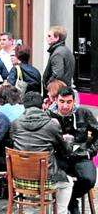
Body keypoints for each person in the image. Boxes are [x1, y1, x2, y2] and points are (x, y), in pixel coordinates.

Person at [11, 92, 74, 214]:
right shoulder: (51, 125)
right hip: (46, 180)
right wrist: (69, 139)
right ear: (42, 106)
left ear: (24, 106)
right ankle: (61, 213)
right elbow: (65, 150)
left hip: (19, 179)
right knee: (68, 182)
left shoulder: (15, 124)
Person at [48, 86, 98, 214]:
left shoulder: (83, 113)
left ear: (74, 101)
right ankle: (71, 204)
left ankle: (71, 199)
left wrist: (90, 151)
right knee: (59, 178)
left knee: (89, 179)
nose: (65, 106)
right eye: (62, 101)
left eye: (69, 102)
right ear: (56, 101)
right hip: (59, 157)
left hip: (81, 155)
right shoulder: (48, 115)